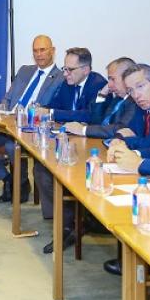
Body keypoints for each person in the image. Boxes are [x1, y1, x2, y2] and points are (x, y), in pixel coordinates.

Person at [0, 34, 63, 203]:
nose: (38, 54)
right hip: (7, 123)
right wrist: (1, 112)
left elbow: (51, 109)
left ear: (53, 51)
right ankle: (8, 180)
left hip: (31, 128)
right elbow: (8, 99)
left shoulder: (61, 78)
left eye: (43, 50)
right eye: (35, 51)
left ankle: (22, 183)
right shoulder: (25, 70)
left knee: (13, 146)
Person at [34, 47, 106, 254]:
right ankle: (65, 221)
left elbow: (91, 116)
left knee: (61, 172)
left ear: (86, 69)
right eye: (64, 68)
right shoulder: (67, 84)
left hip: (92, 144)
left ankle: (72, 224)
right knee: (41, 167)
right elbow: (51, 106)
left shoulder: (97, 85)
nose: (65, 74)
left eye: (70, 69)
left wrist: (54, 113)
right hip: (69, 139)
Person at [64, 57, 137, 138]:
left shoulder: (134, 102)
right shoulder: (117, 99)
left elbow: (120, 128)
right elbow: (96, 122)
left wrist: (83, 130)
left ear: (127, 78)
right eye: (109, 79)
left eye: (113, 79)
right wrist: (102, 94)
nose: (109, 84)